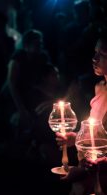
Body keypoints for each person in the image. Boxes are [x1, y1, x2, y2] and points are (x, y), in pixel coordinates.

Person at [56, 34, 107, 194]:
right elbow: (99, 135)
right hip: (88, 173)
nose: (94, 58)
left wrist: (90, 169)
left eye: (103, 54)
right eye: (95, 52)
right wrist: (77, 137)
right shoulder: (100, 88)